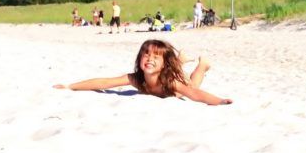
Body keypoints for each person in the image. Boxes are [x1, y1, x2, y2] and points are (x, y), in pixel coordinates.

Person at [53, 39, 231, 105]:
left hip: (171, 84)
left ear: (163, 64)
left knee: (189, 85)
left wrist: (220, 101)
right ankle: (180, 61)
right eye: (146, 54)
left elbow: (195, 94)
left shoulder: (168, 81)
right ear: (139, 58)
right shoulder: (135, 79)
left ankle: (202, 65)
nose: (149, 59)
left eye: (155, 57)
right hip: (168, 74)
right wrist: (71, 86)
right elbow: (105, 83)